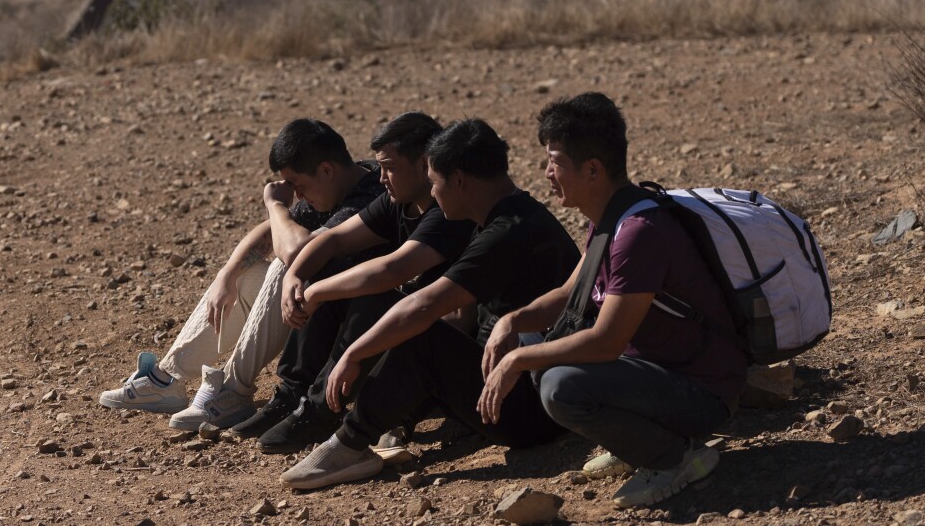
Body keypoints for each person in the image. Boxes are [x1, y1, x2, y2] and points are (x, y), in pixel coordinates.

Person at [477, 92, 747, 508]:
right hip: (654, 372)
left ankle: (673, 458)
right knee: (529, 343)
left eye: (555, 162)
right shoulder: (610, 216)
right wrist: (511, 323)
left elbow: (606, 343)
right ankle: (639, 443)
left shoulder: (638, 232)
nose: (546, 172)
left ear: (592, 170)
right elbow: (569, 294)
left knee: (559, 386)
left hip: (702, 391)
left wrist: (518, 361)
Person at [280, 118, 578, 490]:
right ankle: (351, 415)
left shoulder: (509, 231)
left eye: (435, 183)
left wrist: (354, 355)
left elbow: (425, 306)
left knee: (419, 333)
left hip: (530, 408)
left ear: (458, 180)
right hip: (505, 380)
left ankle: (350, 445)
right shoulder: (504, 215)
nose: (433, 196)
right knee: (416, 329)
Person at [99, 118, 384, 431]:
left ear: (327, 170)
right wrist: (227, 275)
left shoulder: (370, 194)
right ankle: (166, 380)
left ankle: (233, 391)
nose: (298, 197)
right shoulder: (333, 186)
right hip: (313, 315)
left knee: (283, 266)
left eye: (299, 186)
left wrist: (276, 206)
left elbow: (300, 254)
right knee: (245, 275)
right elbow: (267, 234)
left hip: (353, 325)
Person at [228, 111, 476, 455]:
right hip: (414, 330)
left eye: (390, 168)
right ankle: (292, 395)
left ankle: (321, 410)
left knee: (371, 297)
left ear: (423, 165)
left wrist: (315, 290)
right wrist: (297, 276)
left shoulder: (446, 213)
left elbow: (392, 271)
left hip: (448, 343)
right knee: (329, 271)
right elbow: (331, 241)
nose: (382, 178)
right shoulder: (397, 202)